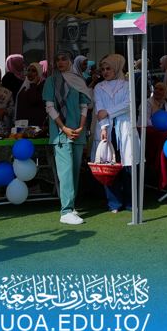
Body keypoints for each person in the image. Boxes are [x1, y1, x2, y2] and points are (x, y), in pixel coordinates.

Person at [43, 52, 91, 224]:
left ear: (70, 61)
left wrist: (81, 127)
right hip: (61, 132)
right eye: (57, 59)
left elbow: (84, 105)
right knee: (66, 171)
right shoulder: (51, 81)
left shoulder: (79, 80)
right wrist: (64, 128)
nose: (60, 62)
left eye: (64, 59)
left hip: (77, 131)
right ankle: (66, 211)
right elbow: (50, 107)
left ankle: (71, 206)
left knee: (75, 171)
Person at [91, 54, 135, 212]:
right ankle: (114, 203)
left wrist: (108, 112)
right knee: (108, 166)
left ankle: (131, 202)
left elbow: (129, 104)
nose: (105, 72)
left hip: (124, 128)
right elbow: (99, 109)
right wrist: (103, 127)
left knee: (127, 166)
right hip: (107, 129)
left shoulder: (127, 85)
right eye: (102, 69)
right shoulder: (98, 87)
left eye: (108, 68)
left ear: (116, 68)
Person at [16, 61, 48, 127]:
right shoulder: (25, 86)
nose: (30, 73)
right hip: (22, 124)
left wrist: (33, 84)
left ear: (39, 73)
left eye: (33, 71)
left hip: (36, 125)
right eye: (28, 70)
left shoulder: (43, 86)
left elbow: (33, 100)